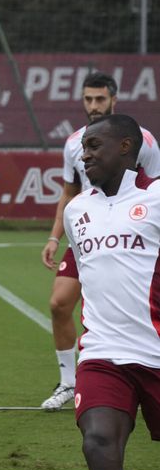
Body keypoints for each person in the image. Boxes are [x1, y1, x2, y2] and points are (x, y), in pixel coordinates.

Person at [63, 113, 160, 470]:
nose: (86, 155)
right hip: (102, 355)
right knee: (98, 446)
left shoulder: (159, 196)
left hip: (157, 354)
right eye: (84, 147)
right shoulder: (76, 210)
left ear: (127, 147)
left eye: (96, 146)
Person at [40, 73, 160, 410]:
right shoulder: (73, 143)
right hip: (88, 229)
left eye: (100, 99)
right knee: (58, 303)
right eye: (89, 99)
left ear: (113, 100)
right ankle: (69, 383)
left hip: (133, 231)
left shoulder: (143, 140)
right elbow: (69, 193)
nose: (94, 106)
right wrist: (54, 236)